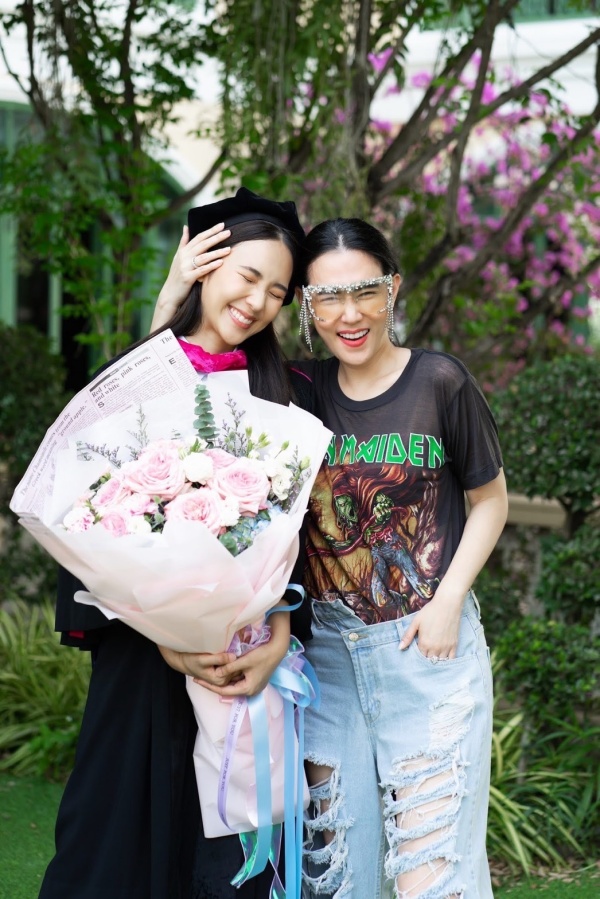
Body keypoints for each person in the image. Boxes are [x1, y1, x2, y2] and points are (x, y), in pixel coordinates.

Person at [150, 214, 508, 898]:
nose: (350, 314)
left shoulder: (440, 381)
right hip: (328, 668)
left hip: (428, 655)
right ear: (306, 307)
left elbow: (489, 500)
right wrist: (173, 296)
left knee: (432, 876)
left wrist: (448, 601)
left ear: (392, 288)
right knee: (336, 879)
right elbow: (180, 398)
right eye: (326, 297)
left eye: (365, 291)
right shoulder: (294, 390)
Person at [39, 188, 312, 899]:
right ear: (205, 265)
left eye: (277, 291)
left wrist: (279, 638)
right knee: (113, 848)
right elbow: (82, 515)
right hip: (139, 665)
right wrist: (164, 636)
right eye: (247, 276)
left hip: (238, 667)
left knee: (222, 859)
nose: (257, 301)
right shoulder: (133, 380)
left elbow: (301, 540)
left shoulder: (285, 395)